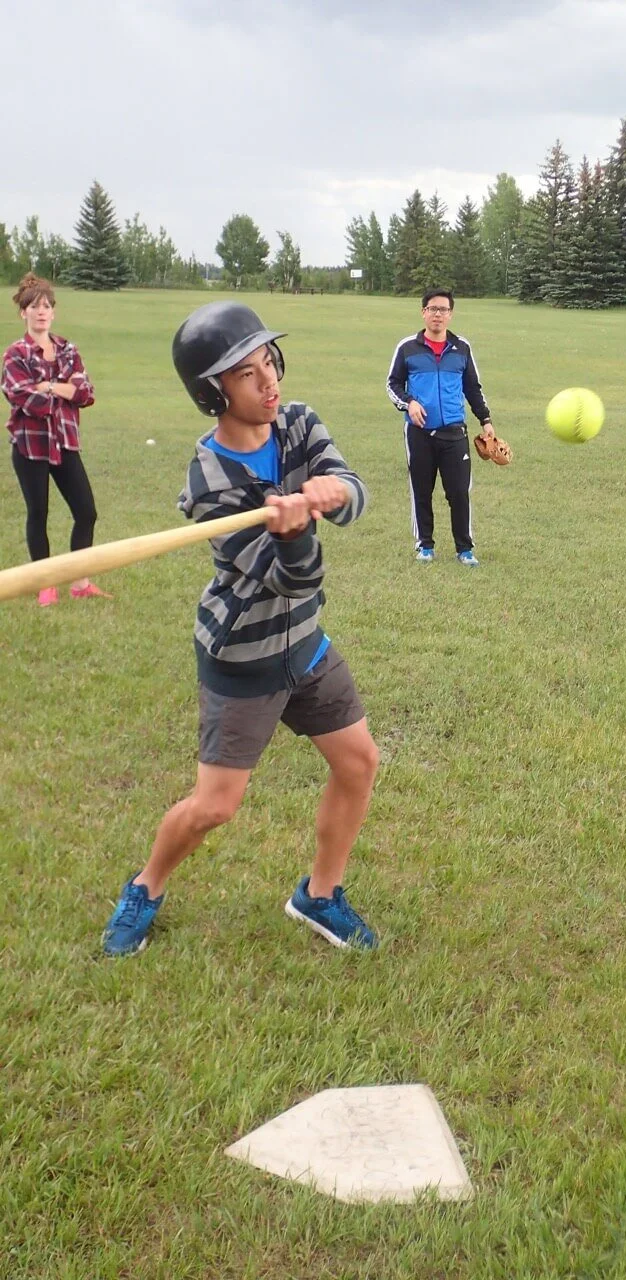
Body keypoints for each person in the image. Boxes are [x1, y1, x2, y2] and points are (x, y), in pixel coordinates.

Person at [102, 300, 379, 956]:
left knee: (359, 762)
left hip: (304, 645)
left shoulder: (298, 422)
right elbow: (293, 578)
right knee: (216, 807)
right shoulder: (209, 481)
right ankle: (146, 886)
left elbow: (354, 487)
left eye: (269, 364)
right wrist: (290, 532)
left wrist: (333, 492)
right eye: (247, 374)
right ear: (211, 391)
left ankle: (318, 893)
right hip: (243, 657)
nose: (269, 382)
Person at [1, 273, 110, 604]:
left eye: (46, 306)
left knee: (86, 511)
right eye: (34, 307)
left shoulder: (67, 349)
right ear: (23, 313)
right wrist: (62, 391)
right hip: (30, 446)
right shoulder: (15, 354)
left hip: (64, 443)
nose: (41, 312)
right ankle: (45, 584)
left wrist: (46, 386)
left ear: (53, 312)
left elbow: (85, 392)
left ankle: (80, 582)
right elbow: (21, 397)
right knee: (39, 513)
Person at [386, 288, 495, 566]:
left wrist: (486, 421)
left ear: (450, 314)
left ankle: (465, 549)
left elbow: (473, 388)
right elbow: (393, 384)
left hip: (455, 432)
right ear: (423, 312)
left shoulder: (462, 348)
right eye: (432, 309)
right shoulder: (407, 348)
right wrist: (409, 403)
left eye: (443, 310)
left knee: (459, 491)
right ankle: (425, 545)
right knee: (421, 489)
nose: (438, 314)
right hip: (419, 433)